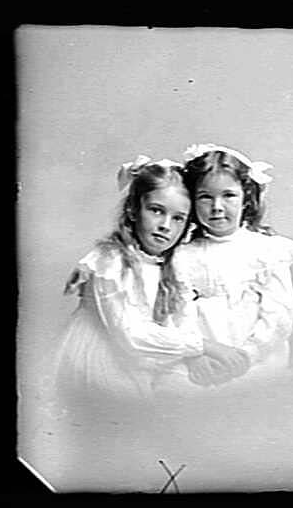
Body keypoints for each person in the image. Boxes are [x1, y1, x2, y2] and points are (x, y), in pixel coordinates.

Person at [53, 155, 225, 412]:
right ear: (133, 210)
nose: (166, 226)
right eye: (156, 211)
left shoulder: (170, 264)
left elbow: (182, 316)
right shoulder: (110, 261)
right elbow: (131, 336)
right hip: (101, 360)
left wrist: (195, 356)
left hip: (145, 359)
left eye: (178, 218)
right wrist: (203, 346)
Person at [172, 143, 293, 385]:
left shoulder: (266, 251)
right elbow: (178, 314)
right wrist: (194, 356)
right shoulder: (182, 255)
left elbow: (279, 316)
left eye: (228, 195)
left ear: (246, 199)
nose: (217, 207)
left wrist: (248, 355)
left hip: (255, 358)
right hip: (202, 360)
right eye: (205, 197)